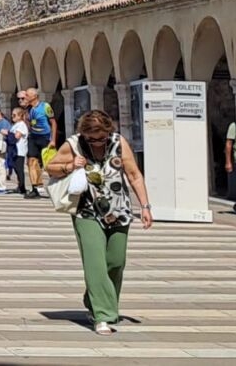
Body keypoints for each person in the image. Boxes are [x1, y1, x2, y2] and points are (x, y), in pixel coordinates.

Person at [46, 109, 153, 335]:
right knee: (95, 262)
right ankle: (102, 315)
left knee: (116, 262)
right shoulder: (74, 144)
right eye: (91, 138)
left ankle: (94, 297)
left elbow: (134, 175)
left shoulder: (118, 142)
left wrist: (145, 206)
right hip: (86, 211)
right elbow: (51, 168)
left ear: (109, 131)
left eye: (101, 138)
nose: (96, 142)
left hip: (119, 209)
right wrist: (70, 165)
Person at [22, 87, 57, 199]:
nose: (25, 97)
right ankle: (35, 188)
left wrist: (53, 140)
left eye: (27, 95)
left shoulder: (45, 106)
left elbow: (53, 123)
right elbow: (29, 123)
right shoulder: (29, 109)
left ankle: (56, 188)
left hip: (45, 137)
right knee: (31, 162)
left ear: (34, 96)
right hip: (33, 137)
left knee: (49, 164)